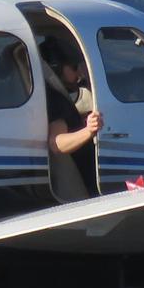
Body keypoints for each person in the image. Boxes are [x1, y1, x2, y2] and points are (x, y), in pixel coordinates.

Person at [42, 47, 101, 199]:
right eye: (74, 67)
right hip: (81, 181)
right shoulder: (54, 99)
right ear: (57, 67)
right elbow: (57, 143)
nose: (79, 73)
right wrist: (89, 130)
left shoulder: (55, 95)